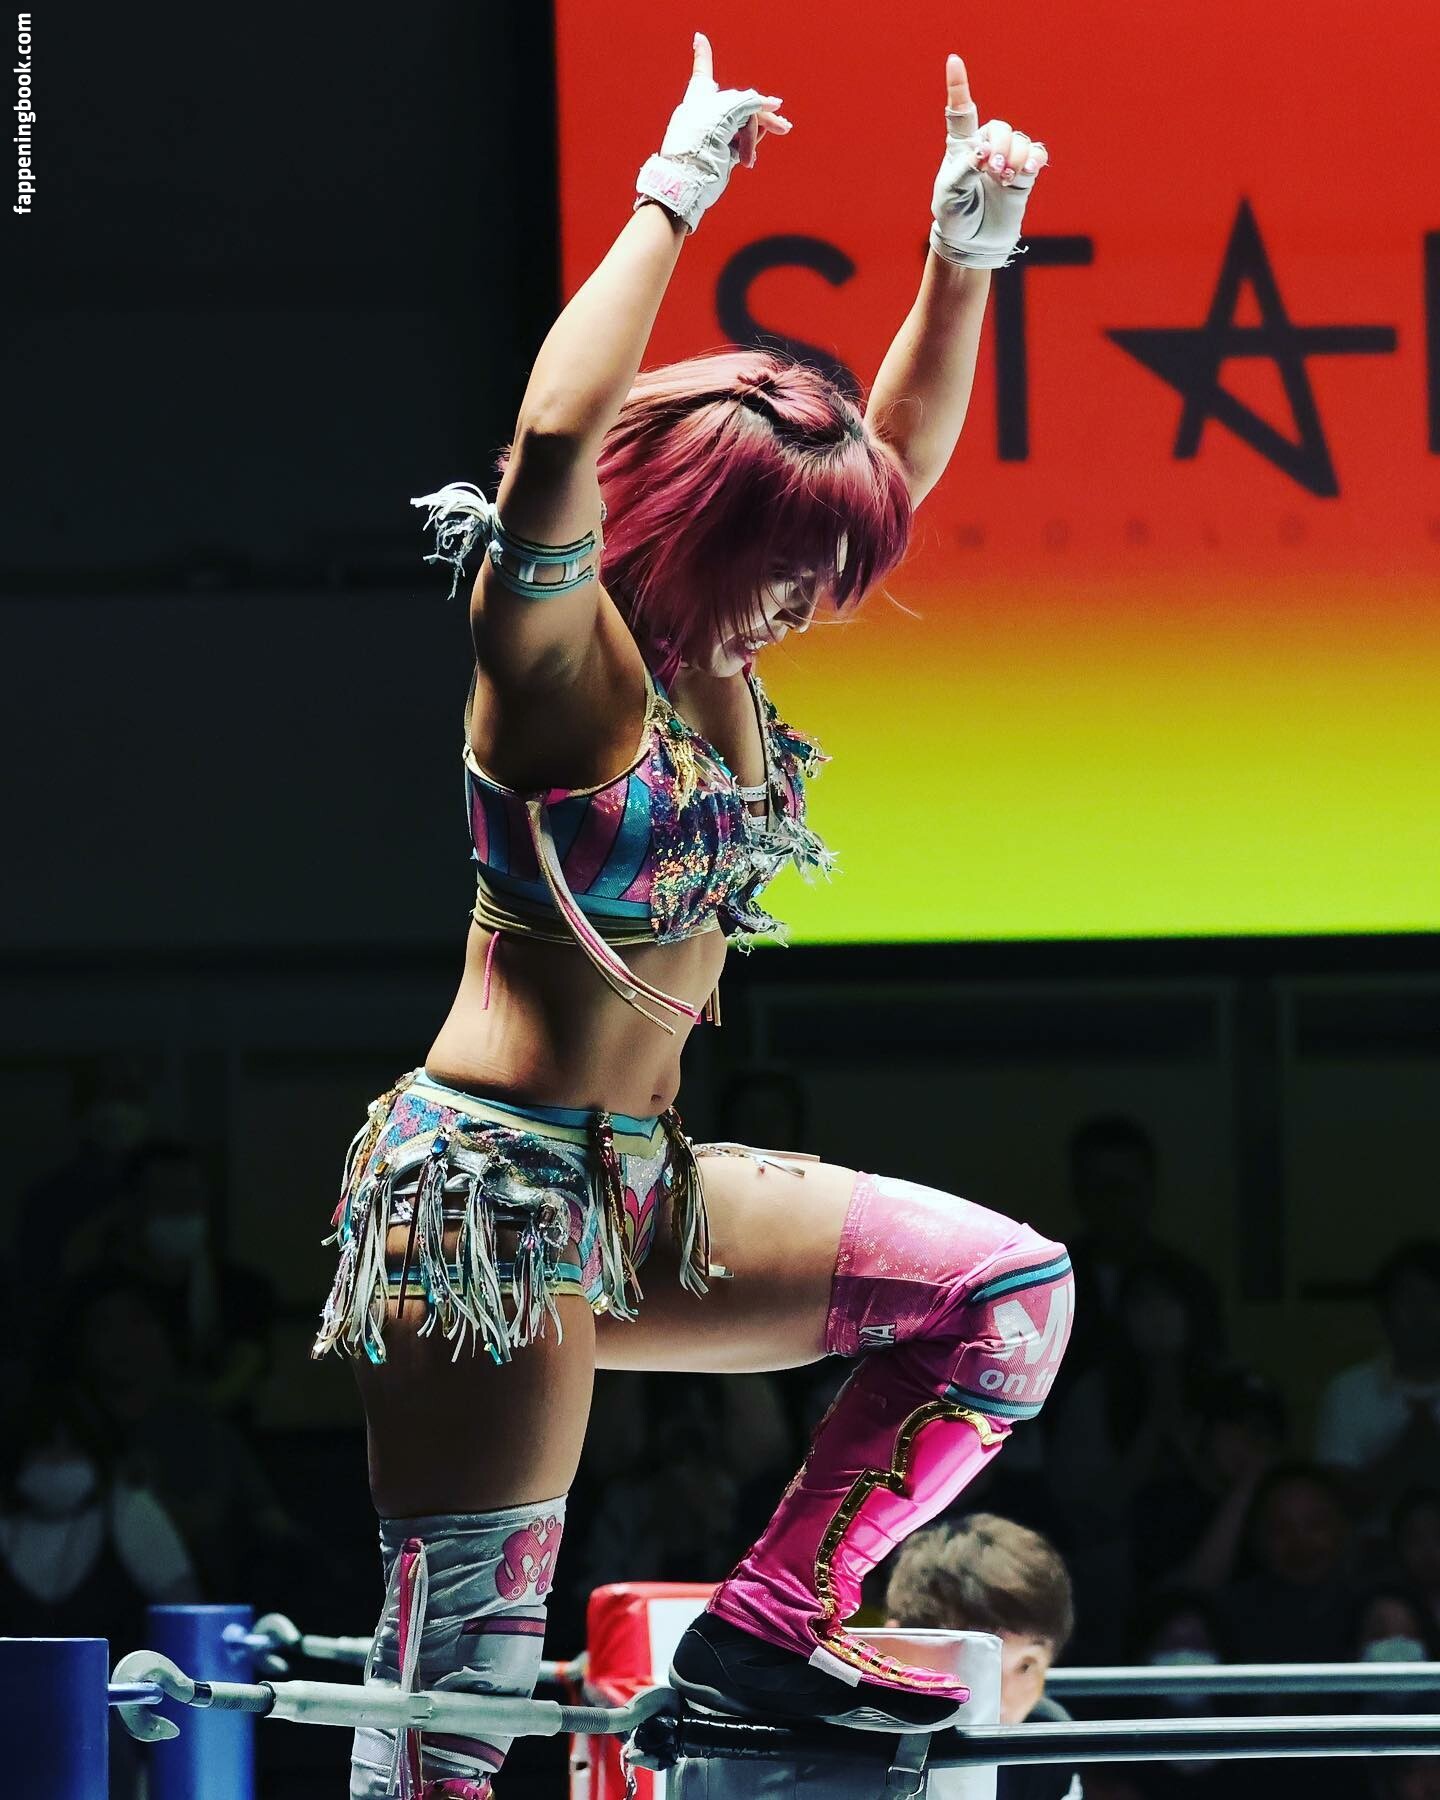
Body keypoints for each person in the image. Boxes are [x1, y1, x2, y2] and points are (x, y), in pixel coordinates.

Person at [309, 29, 1073, 1797]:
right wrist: (672, 192)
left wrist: (961, 256)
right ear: (700, 530)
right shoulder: (558, 666)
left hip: (640, 1188)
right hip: (491, 1207)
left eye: (830, 573)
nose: (813, 601)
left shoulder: (728, 658)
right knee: (454, 1716)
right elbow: (553, 437)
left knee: (1002, 1297)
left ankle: (770, 1629)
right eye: (790, 566)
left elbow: (892, 457)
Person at [884, 1514, 1083, 1800]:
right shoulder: (849, 1737)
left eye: (1026, 1666)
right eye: (975, 1665)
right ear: (897, 1644)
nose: (1001, 1701)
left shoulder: (1048, 1738)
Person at [1061, 1118, 1223, 1383]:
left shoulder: (1187, 1284)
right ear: (1078, 1191)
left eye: (1124, 1186)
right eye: (1098, 1187)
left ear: (1149, 1188)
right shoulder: (1051, 1282)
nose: (1112, 1200)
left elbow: (1208, 1376)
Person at [1316, 1243, 1440, 1527]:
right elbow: (1334, 1504)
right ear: (1384, 1312)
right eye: (1409, 1300)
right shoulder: (1347, 1392)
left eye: (1435, 1299)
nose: (1421, 1314)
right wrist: (1406, 1450)